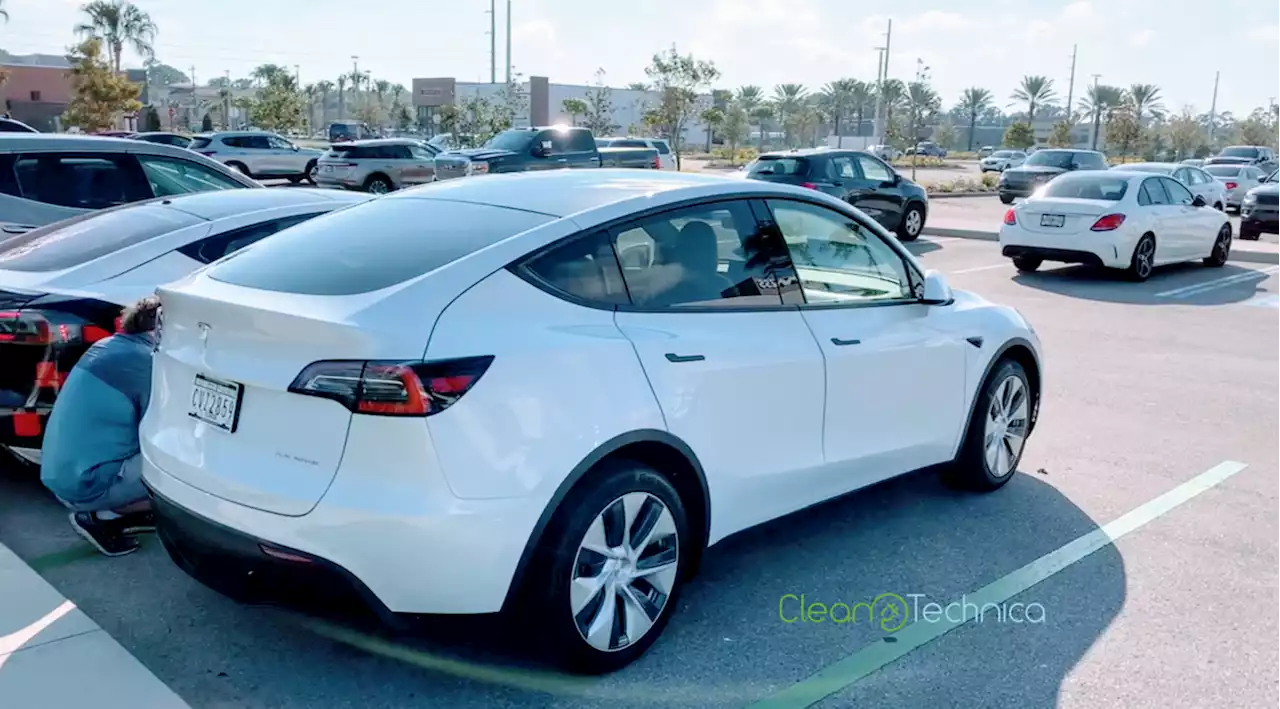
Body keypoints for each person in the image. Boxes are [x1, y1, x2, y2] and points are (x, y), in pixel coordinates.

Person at [40, 296, 160, 556]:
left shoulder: (106, 346)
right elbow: (160, 428)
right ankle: (101, 516)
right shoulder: (145, 361)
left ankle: (109, 512)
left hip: (62, 476)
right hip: (89, 484)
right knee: (179, 472)